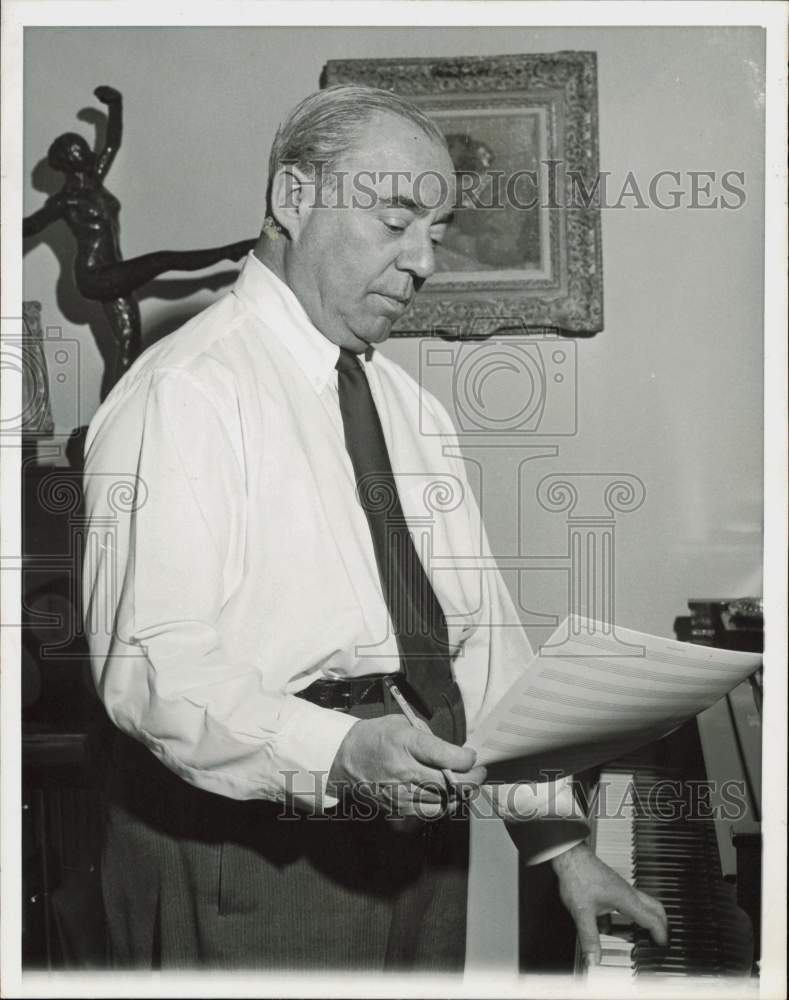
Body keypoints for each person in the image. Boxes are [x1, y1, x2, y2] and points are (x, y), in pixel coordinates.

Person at [82, 84, 667, 972]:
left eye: (433, 234)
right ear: (291, 197)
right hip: (255, 853)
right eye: (394, 219)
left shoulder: (409, 408)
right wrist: (345, 750)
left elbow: (483, 645)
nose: (422, 260)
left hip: (416, 843)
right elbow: (154, 670)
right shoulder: (185, 392)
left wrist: (560, 847)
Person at [23, 85, 255, 382]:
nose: (87, 150)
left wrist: (116, 104)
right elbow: (32, 225)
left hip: (114, 274)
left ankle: (112, 421)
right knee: (163, 260)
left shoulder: (95, 181)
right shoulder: (64, 201)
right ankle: (230, 252)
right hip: (94, 277)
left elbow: (112, 143)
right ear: (69, 159)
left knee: (129, 345)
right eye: (79, 148)